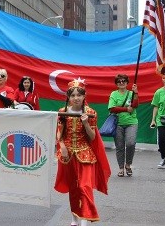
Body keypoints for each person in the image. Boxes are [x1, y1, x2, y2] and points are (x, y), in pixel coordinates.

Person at [55, 79, 110, 226]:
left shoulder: (91, 113)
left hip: (85, 154)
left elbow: (92, 137)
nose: (76, 98)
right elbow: (59, 133)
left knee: (85, 187)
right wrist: (62, 146)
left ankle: (85, 220)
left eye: (79, 95)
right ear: (68, 97)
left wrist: (86, 123)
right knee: (73, 188)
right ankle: (75, 218)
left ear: (84, 96)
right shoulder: (62, 112)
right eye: (72, 95)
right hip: (68, 155)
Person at [108, 74, 139, 177]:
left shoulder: (131, 93)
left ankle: (128, 165)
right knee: (120, 147)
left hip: (131, 122)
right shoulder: (114, 94)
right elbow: (112, 108)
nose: (121, 82)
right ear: (116, 83)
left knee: (130, 143)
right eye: (119, 81)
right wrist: (126, 109)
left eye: (123, 81)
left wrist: (136, 93)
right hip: (118, 124)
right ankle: (121, 168)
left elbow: (135, 105)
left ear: (127, 82)